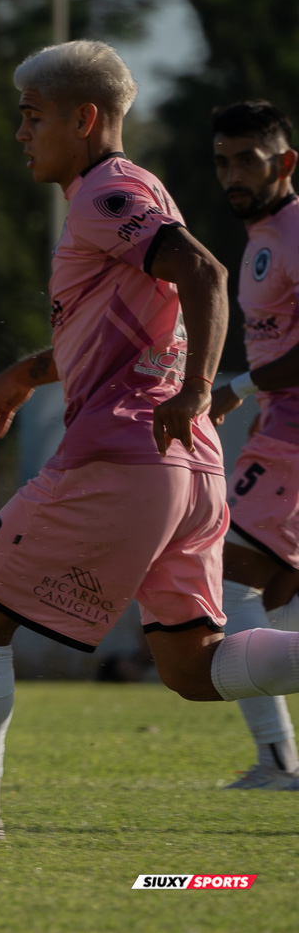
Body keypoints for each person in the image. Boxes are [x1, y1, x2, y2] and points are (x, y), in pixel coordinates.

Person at [0, 41, 299, 841]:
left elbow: (204, 276)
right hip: (188, 471)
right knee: (191, 667)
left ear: (84, 119)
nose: (21, 133)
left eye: (32, 116)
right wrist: (29, 371)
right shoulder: (133, 192)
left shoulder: (103, 192)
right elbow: (120, 325)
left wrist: (193, 389)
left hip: (125, 457)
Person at [203, 100, 299, 789]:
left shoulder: (294, 232)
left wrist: (235, 383)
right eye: (223, 162)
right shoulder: (262, 233)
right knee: (255, 575)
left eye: (248, 160)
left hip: (292, 434)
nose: (233, 174)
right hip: (279, 427)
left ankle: (275, 758)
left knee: (220, 560)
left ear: (284, 162)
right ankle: (276, 759)